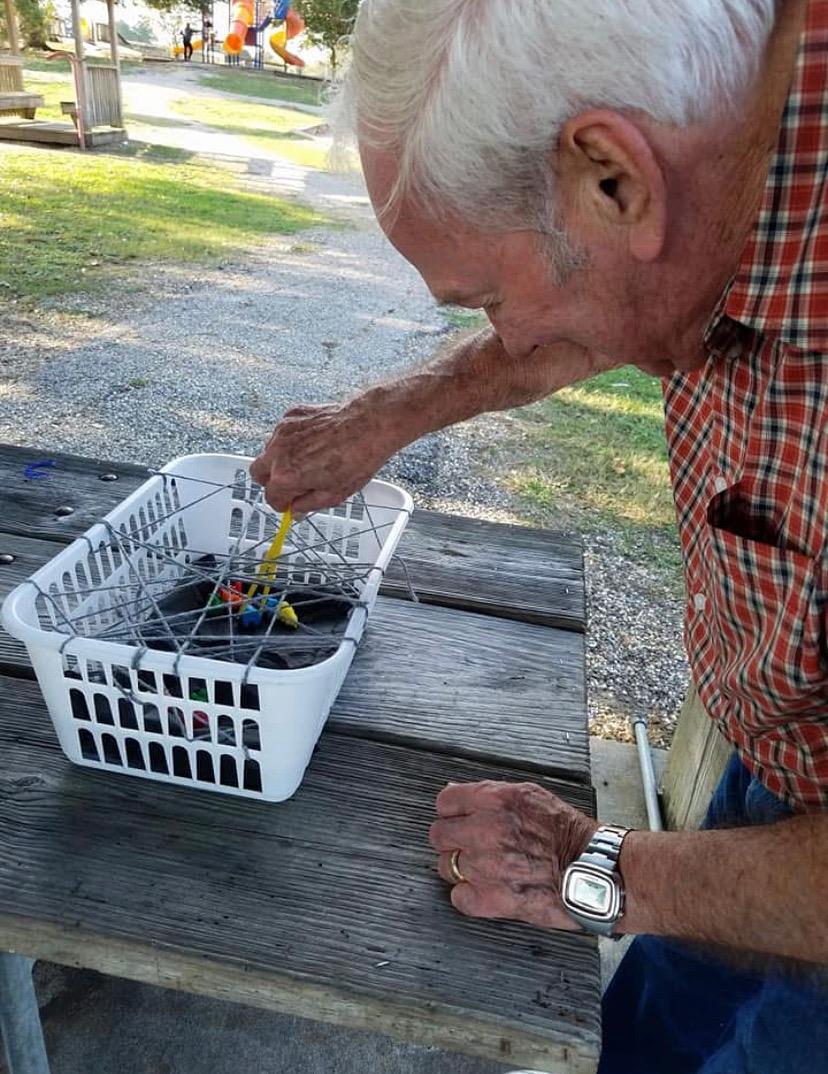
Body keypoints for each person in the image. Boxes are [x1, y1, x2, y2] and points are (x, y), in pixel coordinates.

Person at [251, 1, 828, 1070]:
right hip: (773, 759)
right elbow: (604, 293)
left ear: (616, 177)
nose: (500, 336)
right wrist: (379, 418)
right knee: (648, 1034)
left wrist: (596, 861)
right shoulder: (730, 131)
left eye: (482, 297)